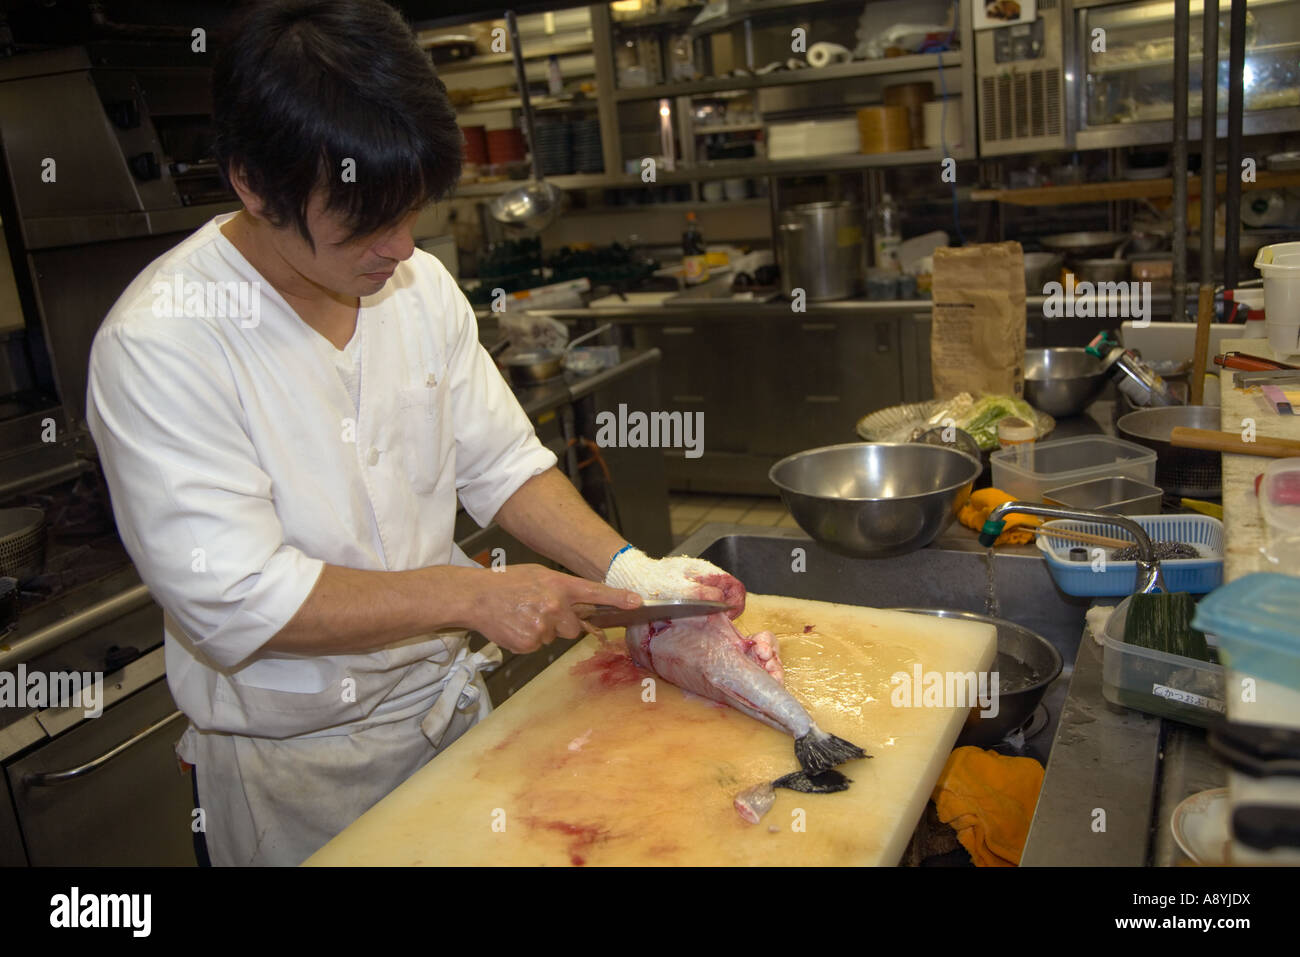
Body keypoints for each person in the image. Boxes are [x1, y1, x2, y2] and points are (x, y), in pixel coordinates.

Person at [86, 0, 727, 866]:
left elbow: (502, 464)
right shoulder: (163, 340)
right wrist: (474, 596)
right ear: (251, 182)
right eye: (366, 221)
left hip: (452, 728)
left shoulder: (418, 287)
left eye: (411, 210)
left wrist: (629, 569)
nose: (401, 247)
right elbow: (239, 595)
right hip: (298, 782)